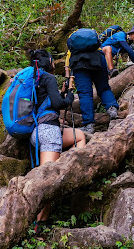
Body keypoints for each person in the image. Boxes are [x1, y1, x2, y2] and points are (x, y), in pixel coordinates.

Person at [27, 49, 86, 231]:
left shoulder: (33, 79)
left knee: (79, 136)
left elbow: (50, 101)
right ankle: (38, 226)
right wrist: (69, 96)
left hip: (36, 132)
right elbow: (60, 104)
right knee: (47, 181)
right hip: (49, 133)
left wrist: (61, 93)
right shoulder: (48, 78)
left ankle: (76, 170)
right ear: (49, 62)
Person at [66, 31, 120, 134]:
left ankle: (89, 125)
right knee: (104, 88)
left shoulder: (72, 39)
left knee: (85, 94)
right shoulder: (92, 38)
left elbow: (68, 58)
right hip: (98, 59)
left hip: (79, 64)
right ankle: (112, 108)